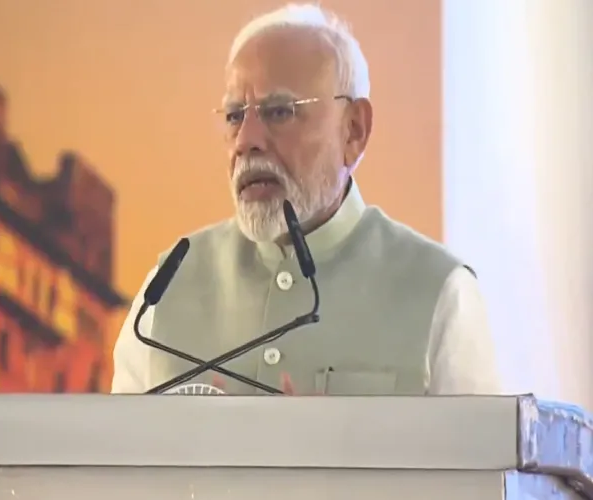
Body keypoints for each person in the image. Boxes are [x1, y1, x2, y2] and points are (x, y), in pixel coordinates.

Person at [111, 3, 502, 395]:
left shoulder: (439, 293)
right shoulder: (165, 291)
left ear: (353, 130)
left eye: (279, 112)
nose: (247, 141)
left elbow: (482, 455)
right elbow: (115, 452)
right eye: (234, 116)